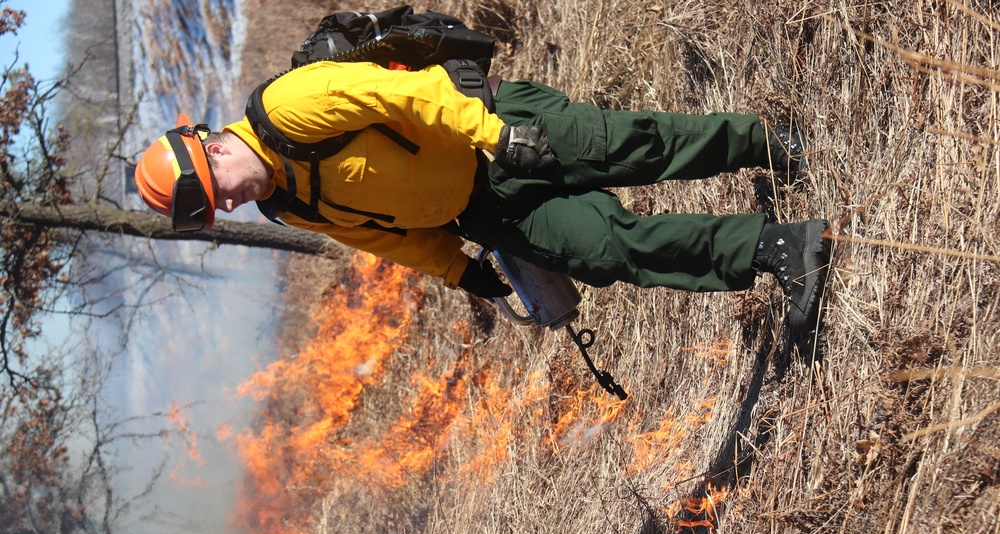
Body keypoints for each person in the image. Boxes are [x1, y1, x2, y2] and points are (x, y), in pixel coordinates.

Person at [135, 60, 829, 330]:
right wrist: (462, 271)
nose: (225, 208)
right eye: (210, 215)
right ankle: (774, 247)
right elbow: (383, 236)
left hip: (498, 132)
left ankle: (766, 142)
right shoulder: (283, 205)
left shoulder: (289, 107)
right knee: (608, 251)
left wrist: (497, 136)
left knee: (635, 148)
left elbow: (409, 92)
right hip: (487, 212)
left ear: (214, 149)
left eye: (212, 194)